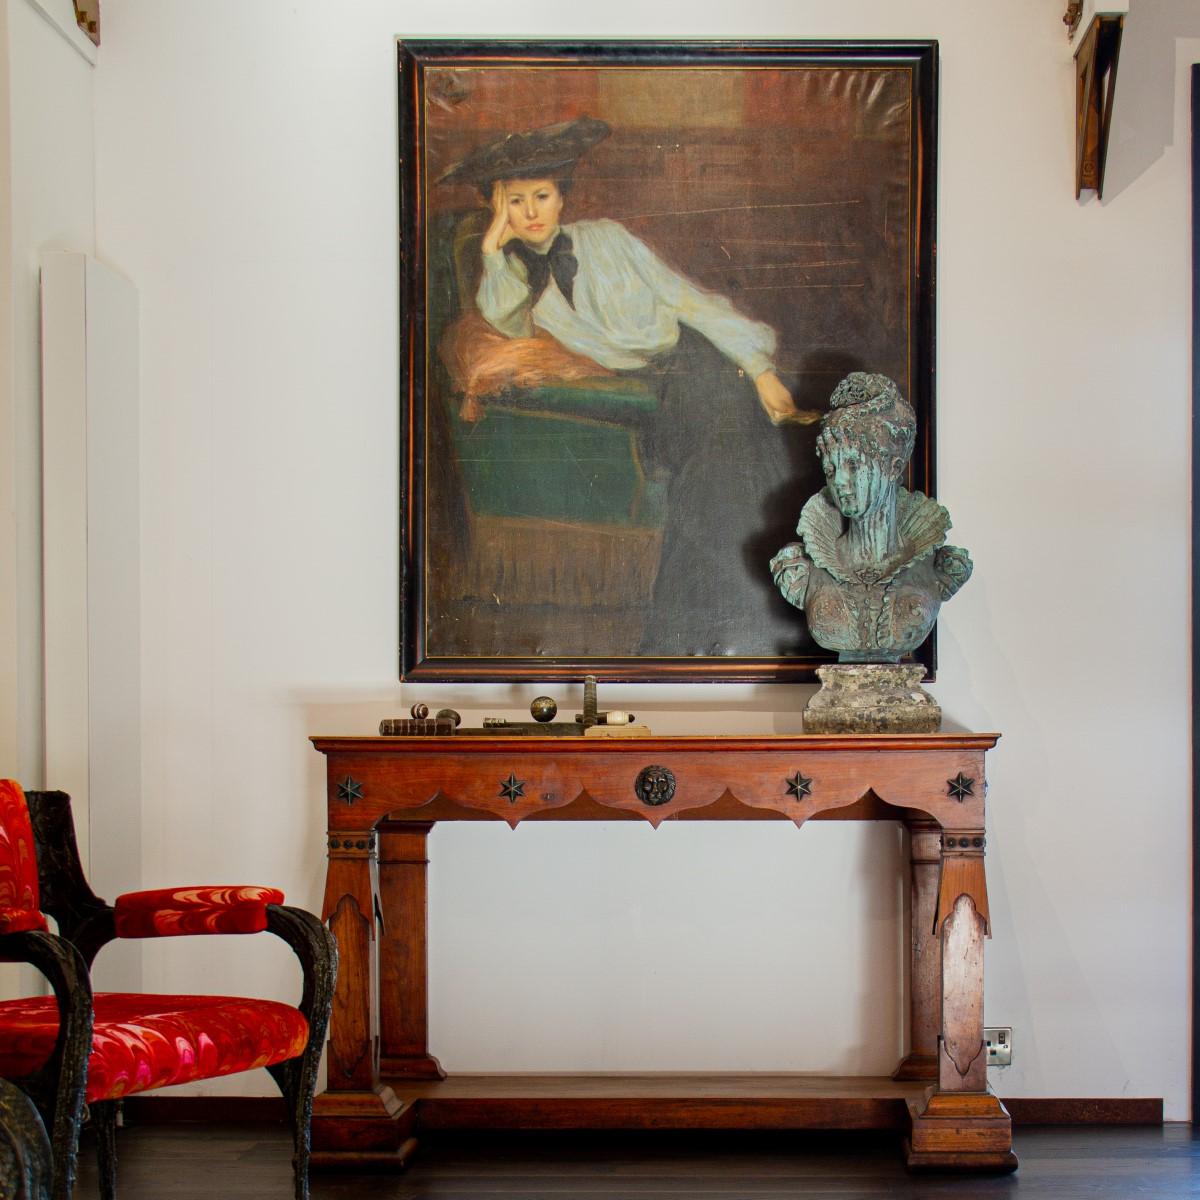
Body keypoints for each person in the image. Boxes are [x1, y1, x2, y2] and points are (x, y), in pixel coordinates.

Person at [439, 116, 820, 656]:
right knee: (720, 464)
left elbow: (685, 300)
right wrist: (491, 250)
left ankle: (679, 635)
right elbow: (504, 323)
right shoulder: (514, 276)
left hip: (696, 362)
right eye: (515, 201)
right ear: (498, 208)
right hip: (653, 388)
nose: (530, 213)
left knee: (723, 460)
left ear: (561, 197)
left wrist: (759, 368)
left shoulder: (608, 239)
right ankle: (710, 627)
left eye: (541, 196)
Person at [770, 372, 972, 661]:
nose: (839, 481)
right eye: (831, 469)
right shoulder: (802, 569)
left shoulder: (937, 567)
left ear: (893, 467)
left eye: (853, 464)